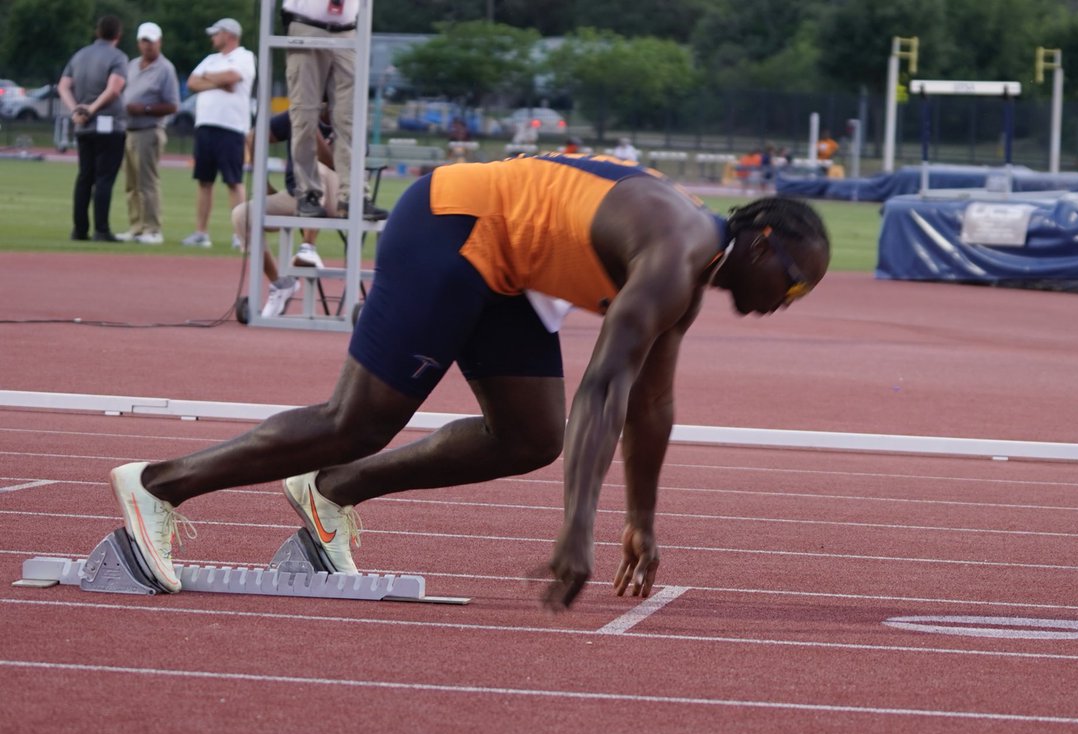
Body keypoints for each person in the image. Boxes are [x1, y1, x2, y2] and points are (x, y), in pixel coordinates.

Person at [107, 153, 829, 609]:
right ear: (763, 240)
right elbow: (604, 389)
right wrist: (576, 530)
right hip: (452, 225)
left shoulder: (689, 277)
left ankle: (333, 491)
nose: (785, 302)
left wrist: (638, 520)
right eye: (792, 284)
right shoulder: (677, 252)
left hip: (509, 267)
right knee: (357, 420)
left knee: (529, 436)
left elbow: (652, 405)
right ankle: (160, 483)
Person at [281, 0, 388, 222]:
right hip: (307, 27)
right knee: (305, 117)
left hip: (347, 31)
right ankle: (308, 193)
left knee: (350, 120)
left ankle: (353, 196)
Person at [231, 110, 339, 317]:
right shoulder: (297, 114)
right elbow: (253, 137)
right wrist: (263, 182)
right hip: (295, 195)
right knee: (242, 215)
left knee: (314, 168)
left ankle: (308, 246)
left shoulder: (347, 119)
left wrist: (310, 130)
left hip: (337, 196)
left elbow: (333, 162)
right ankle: (281, 284)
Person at [181, 18, 256, 248]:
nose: (213, 38)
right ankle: (201, 232)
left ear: (229, 34)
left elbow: (232, 78)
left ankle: (240, 234)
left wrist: (209, 77)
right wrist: (218, 82)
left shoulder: (245, 56)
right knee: (204, 181)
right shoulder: (211, 59)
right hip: (205, 125)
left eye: (216, 34)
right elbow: (192, 82)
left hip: (231, 127)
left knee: (233, 181)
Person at [57, 16, 128, 242]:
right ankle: (101, 229)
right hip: (108, 124)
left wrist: (76, 110)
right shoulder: (118, 57)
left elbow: (64, 86)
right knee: (104, 178)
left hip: (83, 126)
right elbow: (114, 89)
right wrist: (92, 108)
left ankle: (79, 229)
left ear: (97, 32)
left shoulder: (79, 55)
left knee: (84, 176)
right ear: (118, 35)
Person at [116, 22, 179, 245]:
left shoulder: (165, 69)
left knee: (147, 183)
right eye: (144, 41)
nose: (148, 46)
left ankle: (153, 229)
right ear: (138, 43)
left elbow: (173, 105)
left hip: (149, 130)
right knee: (131, 184)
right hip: (129, 130)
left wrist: (145, 109)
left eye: (151, 42)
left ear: (159, 42)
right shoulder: (132, 65)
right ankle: (136, 227)